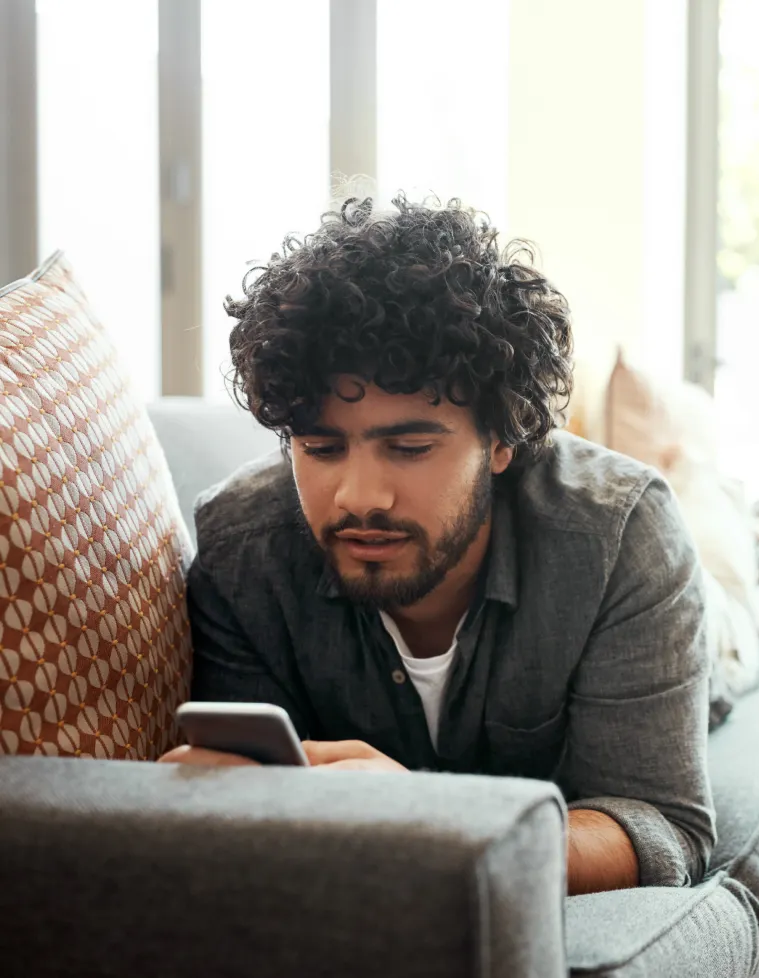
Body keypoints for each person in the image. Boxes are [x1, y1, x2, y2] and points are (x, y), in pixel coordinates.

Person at [159, 196, 715, 896]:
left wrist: (435, 819)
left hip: (700, 629)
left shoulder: (620, 535)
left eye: (411, 446)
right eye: (321, 447)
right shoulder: (243, 551)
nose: (360, 495)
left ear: (503, 439)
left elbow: (665, 826)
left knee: (731, 612)